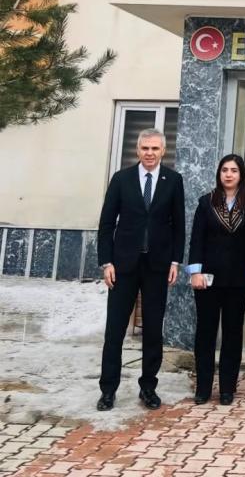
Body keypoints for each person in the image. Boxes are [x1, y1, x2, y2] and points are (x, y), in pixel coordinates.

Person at [96, 128, 185, 411]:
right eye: (145, 148)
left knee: (153, 330)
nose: (149, 153)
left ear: (163, 151)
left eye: (155, 149)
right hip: (123, 266)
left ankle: (148, 387)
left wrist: (175, 262)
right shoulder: (121, 179)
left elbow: (179, 225)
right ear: (137, 150)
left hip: (157, 266)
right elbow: (106, 224)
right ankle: (108, 390)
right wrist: (106, 262)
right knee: (115, 330)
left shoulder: (173, 180)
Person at [187, 154, 245, 406]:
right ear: (219, 174)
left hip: (239, 278)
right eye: (224, 170)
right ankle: (203, 387)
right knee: (205, 333)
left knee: (233, 333)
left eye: (234, 170)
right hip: (208, 278)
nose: (228, 174)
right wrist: (195, 272)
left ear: (241, 175)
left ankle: (228, 388)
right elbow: (196, 239)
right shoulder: (206, 201)